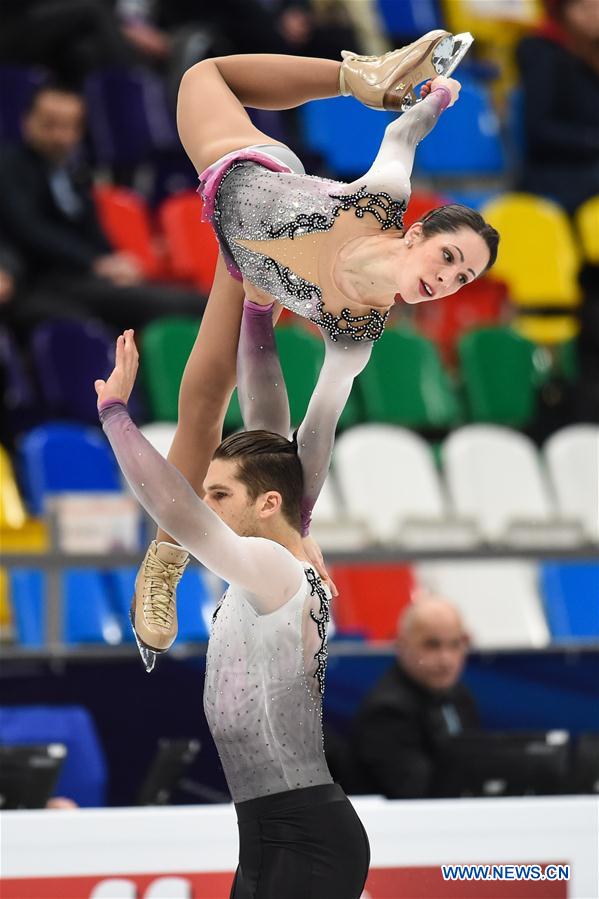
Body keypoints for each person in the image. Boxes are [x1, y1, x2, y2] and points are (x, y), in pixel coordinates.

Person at [129, 36, 500, 659]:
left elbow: (315, 432)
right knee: (203, 74)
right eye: (448, 258)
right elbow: (404, 137)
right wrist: (430, 98)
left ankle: (163, 564)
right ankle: (359, 73)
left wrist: (295, 530)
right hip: (249, 170)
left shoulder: (357, 334)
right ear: (415, 237)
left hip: (248, 270)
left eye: (461, 280)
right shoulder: (380, 197)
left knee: (205, 400)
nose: (446, 280)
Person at [96, 328, 370, 898]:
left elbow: (176, 508)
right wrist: (254, 310)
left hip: (304, 835)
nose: (207, 505)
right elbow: (269, 417)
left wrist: (115, 414)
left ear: (269, 504)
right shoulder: (274, 565)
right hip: (273, 832)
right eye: (209, 493)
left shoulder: (276, 568)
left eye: (220, 495)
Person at [0, 84, 205, 332]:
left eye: (68, 127)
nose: (60, 137)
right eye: (49, 125)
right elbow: (29, 228)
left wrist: (114, 261)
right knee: (181, 305)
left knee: (194, 302)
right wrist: (96, 262)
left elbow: (93, 228)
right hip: (44, 280)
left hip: (85, 279)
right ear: (27, 122)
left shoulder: (73, 173)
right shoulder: (11, 167)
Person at [350, 594, 480, 799]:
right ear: (402, 645)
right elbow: (419, 792)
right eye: (432, 645)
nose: (446, 659)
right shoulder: (387, 713)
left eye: (455, 644)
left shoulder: (459, 696)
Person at [516, 0, 599, 214]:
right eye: (585, 7)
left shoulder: (590, 55)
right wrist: (591, 140)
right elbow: (539, 130)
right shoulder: (542, 52)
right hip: (555, 173)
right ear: (563, 12)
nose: (595, 14)